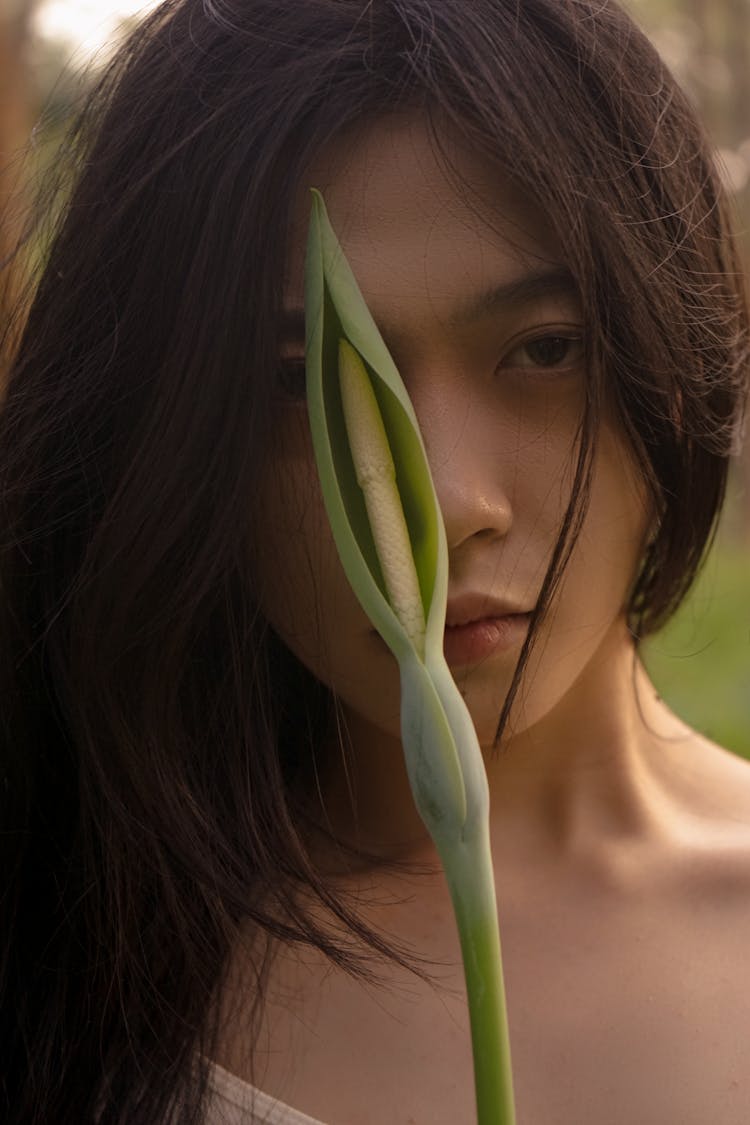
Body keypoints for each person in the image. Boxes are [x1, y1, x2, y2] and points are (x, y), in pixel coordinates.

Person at [2, 0, 749, 1122]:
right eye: (304, 384)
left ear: (675, 359)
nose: (448, 508)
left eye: (544, 349)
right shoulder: (61, 941)